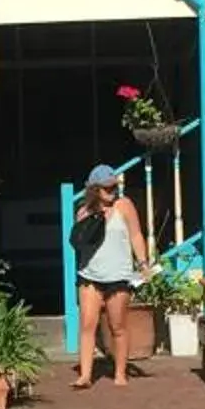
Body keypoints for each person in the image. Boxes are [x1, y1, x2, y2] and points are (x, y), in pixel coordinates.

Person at [70, 165, 149, 391]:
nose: (112, 191)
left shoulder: (124, 206)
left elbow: (135, 234)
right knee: (87, 324)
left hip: (118, 275)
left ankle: (120, 373)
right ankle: (85, 375)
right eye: (107, 188)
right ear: (95, 190)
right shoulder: (84, 211)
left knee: (118, 326)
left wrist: (142, 263)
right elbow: (79, 242)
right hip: (90, 275)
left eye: (115, 186)